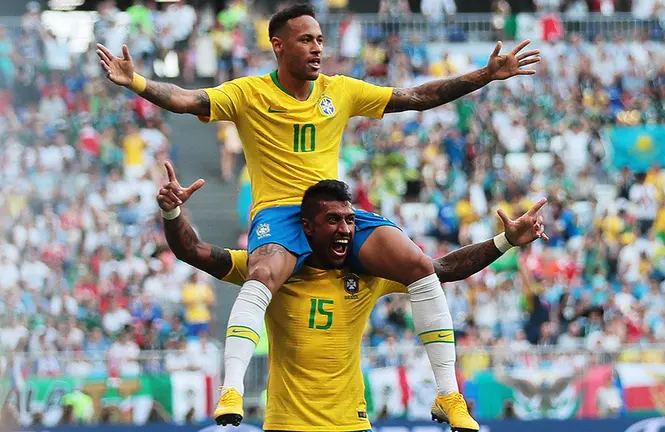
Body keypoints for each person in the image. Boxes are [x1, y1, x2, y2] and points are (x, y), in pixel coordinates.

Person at [98, 4, 541, 428]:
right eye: (305, 40)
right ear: (278, 45)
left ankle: (448, 395)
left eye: (320, 40)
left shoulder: (340, 90)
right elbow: (185, 98)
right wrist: (136, 81)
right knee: (262, 274)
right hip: (281, 214)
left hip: (333, 210)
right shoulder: (249, 93)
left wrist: (486, 74)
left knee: (421, 267)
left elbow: (417, 96)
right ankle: (232, 388)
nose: (316, 48)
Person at [156, 161, 548, 431]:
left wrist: (505, 241)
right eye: (333, 220)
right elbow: (194, 251)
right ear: (306, 227)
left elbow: (441, 269)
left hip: (353, 423)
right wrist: (173, 215)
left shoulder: (368, 274)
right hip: (287, 424)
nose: (345, 228)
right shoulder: (271, 269)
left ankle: (450, 394)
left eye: (349, 220)